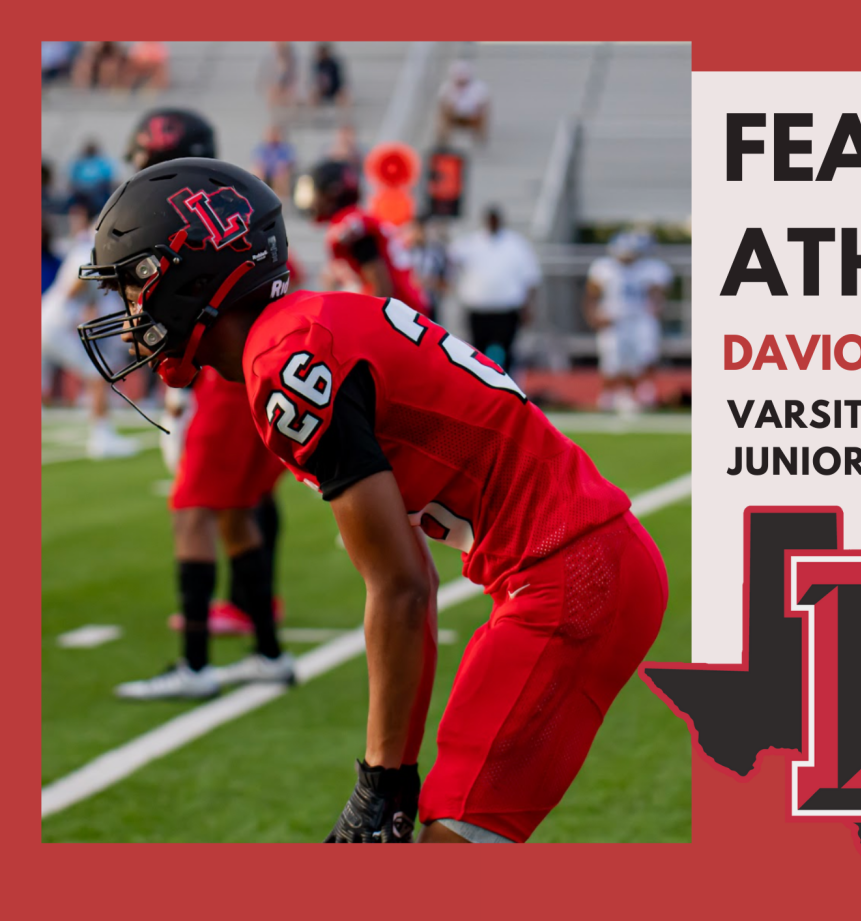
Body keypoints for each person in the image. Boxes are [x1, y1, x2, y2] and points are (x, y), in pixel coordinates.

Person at [81, 158, 668, 843]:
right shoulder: (301, 332)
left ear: (197, 270)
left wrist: (381, 779)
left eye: (137, 283)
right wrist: (387, 779)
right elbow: (407, 576)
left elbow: (400, 589)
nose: (129, 317)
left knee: (446, 846)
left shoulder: (286, 362)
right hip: (574, 564)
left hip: (567, 574)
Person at [106, 110, 294, 700]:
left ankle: (195, 664)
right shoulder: (231, 197)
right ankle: (267, 653)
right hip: (258, 369)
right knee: (236, 513)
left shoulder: (185, 216)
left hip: (231, 377)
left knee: (193, 512)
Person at [40, 199, 136, 457]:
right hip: (55, 323)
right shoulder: (87, 252)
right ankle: (102, 438)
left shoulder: (88, 250)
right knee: (97, 375)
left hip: (46, 319)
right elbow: (73, 288)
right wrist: (73, 319)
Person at [310, 159, 430, 315]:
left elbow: (381, 290)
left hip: (403, 321)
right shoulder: (353, 219)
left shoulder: (351, 227)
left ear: (332, 192)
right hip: (410, 314)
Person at [583, 230, 672, 413]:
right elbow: (591, 296)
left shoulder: (651, 269)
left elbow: (659, 296)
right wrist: (594, 316)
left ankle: (642, 394)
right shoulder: (604, 268)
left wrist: (656, 301)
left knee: (645, 356)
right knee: (612, 359)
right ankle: (609, 397)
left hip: (641, 318)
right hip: (614, 319)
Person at [446, 205, 539, 370]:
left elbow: (530, 278)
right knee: (476, 354)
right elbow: (451, 258)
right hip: (478, 309)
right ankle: (480, 391)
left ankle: (510, 388)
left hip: (506, 310)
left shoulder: (516, 244)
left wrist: (527, 307)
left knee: (508, 352)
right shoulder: (471, 242)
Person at [435, 60, 490, 146]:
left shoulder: (479, 88)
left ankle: (479, 136)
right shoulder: (446, 87)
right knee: (443, 114)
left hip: (472, 116)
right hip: (453, 115)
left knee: (482, 113)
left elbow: (483, 104)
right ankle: (443, 138)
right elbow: (442, 104)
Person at [68, 140, 117, 216]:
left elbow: (107, 179)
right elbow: (73, 180)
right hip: (82, 195)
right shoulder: (79, 163)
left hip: (98, 195)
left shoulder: (102, 162)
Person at [251, 124, 297, 196]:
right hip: (266, 173)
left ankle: (280, 197)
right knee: (257, 171)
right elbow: (258, 161)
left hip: (278, 174)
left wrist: (280, 167)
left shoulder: (285, 148)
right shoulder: (262, 148)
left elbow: (289, 162)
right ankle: (257, 195)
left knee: (281, 172)